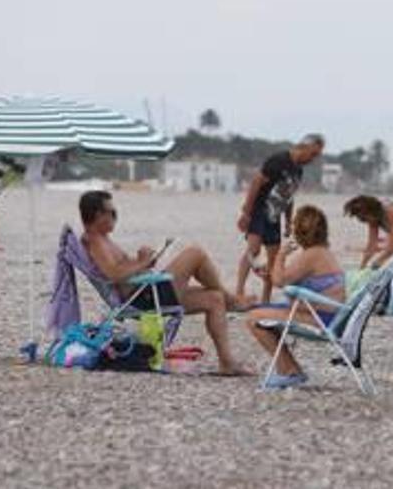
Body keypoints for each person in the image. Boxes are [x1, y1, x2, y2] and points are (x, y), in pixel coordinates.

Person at [79, 190, 249, 376]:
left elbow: (120, 270)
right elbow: (113, 274)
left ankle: (227, 363)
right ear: (97, 215)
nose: (115, 216)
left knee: (214, 299)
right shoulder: (94, 240)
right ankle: (231, 300)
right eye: (112, 212)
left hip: (145, 291)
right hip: (142, 297)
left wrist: (140, 261)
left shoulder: (102, 239)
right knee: (195, 253)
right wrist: (143, 263)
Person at [246, 205, 345, 389]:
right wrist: (273, 270)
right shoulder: (321, 253)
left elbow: (279, 281)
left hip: (321, 320)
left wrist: (281, 255)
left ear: (299, 231)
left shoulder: (311, 255)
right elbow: (286, 277)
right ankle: (290, 368)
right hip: (330, 316)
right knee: (264, 315)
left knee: (253, 318)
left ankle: (290, 371)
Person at [236, 133, 325, 304]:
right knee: (252, 251)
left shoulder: (298, 170)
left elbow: (288, 196)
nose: (312, 159)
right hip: (259, 211)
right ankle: (239, 292)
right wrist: (246, 213)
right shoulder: (279, 161)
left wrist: (289, 222)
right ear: (304, 147)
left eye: (316, 156)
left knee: (274, 259)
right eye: (313, 154)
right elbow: (256, 182)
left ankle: (266, 300)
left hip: (275, 216)